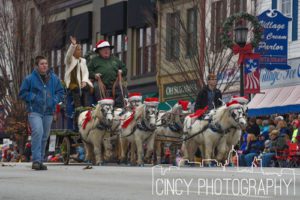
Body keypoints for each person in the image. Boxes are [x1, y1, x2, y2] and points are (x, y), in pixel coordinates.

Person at [19, 55, 64, 170]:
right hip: (35, 111)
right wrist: (33, 97)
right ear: (37, 66)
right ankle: (36, 160)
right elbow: (22, 93)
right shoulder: (30, 79)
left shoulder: (54, 79)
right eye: (42, 64)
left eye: (46, 64)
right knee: (37, 132)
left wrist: (55, 100)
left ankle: (41, 160)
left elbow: (61, 92)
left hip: (49, 111)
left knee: (44, 136)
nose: (44, 66)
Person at [88, 40, 128, 108]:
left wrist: (121, 71)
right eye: (104, 49)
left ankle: (119, 107)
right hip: (100, 82)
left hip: (114, 83)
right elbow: (88, 71)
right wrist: (95, 75)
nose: (106, 51)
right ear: (99, 51)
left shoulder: (115, 59)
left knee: (122, 87)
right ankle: (102, 106)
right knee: (96, 87)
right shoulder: (94, 61)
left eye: (108, 49)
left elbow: (125, 69)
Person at [64, 36, 93, 130]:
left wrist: (84, 81)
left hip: (82, 83)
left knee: (87, 89)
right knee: (75, 90)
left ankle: (87, 109)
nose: (80, 51)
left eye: (80, 50)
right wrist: (73, 45)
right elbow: (68, 56)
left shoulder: (83, 60)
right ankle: (78, 111)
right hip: (73, 84)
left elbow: (86, 72)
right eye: (78, 50)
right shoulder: (70, 60)